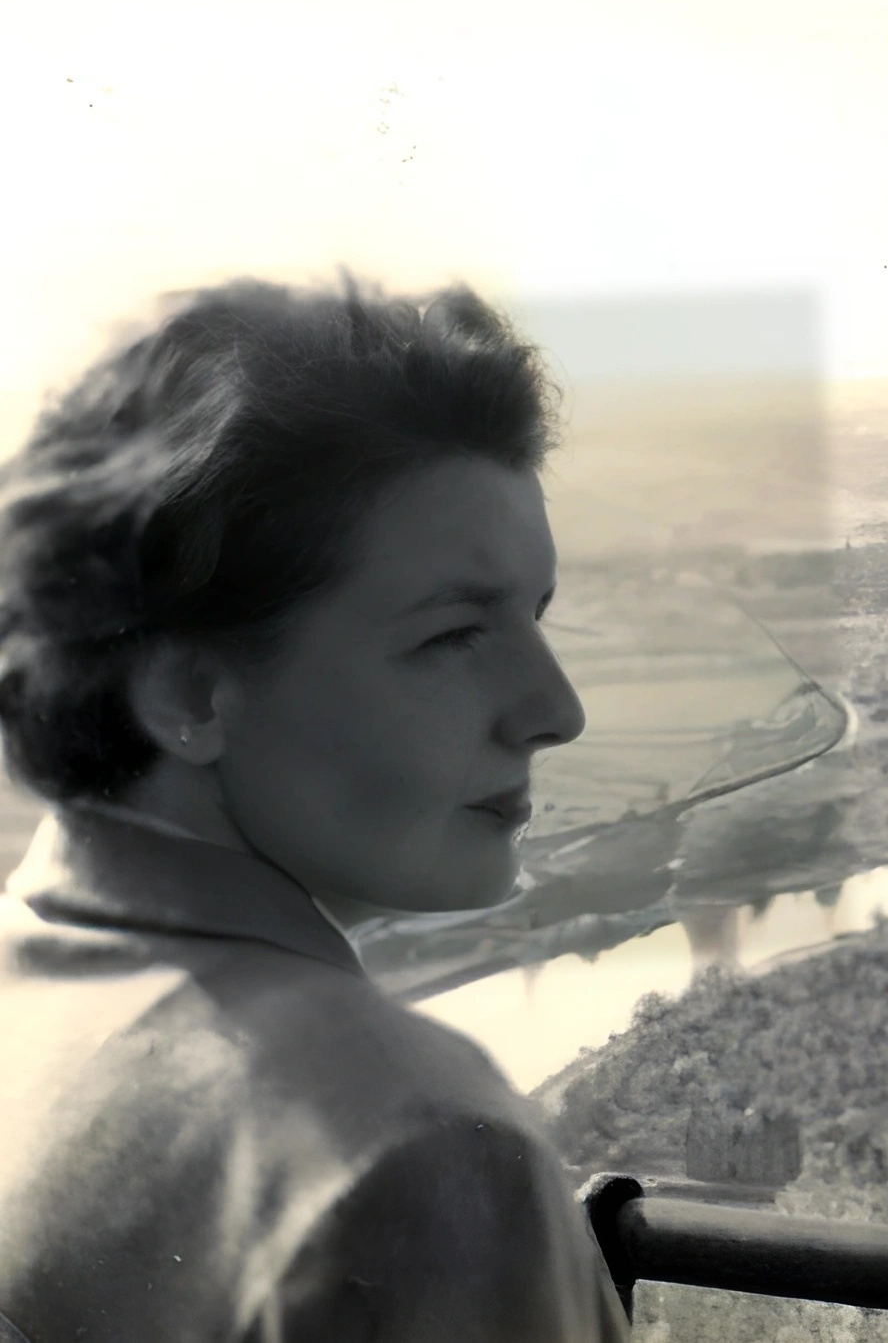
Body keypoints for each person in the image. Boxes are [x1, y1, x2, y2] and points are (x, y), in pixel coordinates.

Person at [0, 278, 630, 1340]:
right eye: (451, 636)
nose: (555, 712)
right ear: (193, 694)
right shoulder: (412, 1142)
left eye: (535, 616)